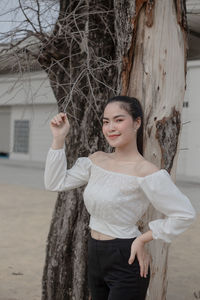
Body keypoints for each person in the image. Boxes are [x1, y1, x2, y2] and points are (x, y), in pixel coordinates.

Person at [44, 95, 196, 300]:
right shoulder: (96, 160)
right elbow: (55, 183)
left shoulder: (146, 172)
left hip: (126, 257)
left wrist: (143, 239)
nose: (110, 127)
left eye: (119, 120)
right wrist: (58, 139)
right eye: (106, 122)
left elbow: (184, 214)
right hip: (95, 253)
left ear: (137, 122)